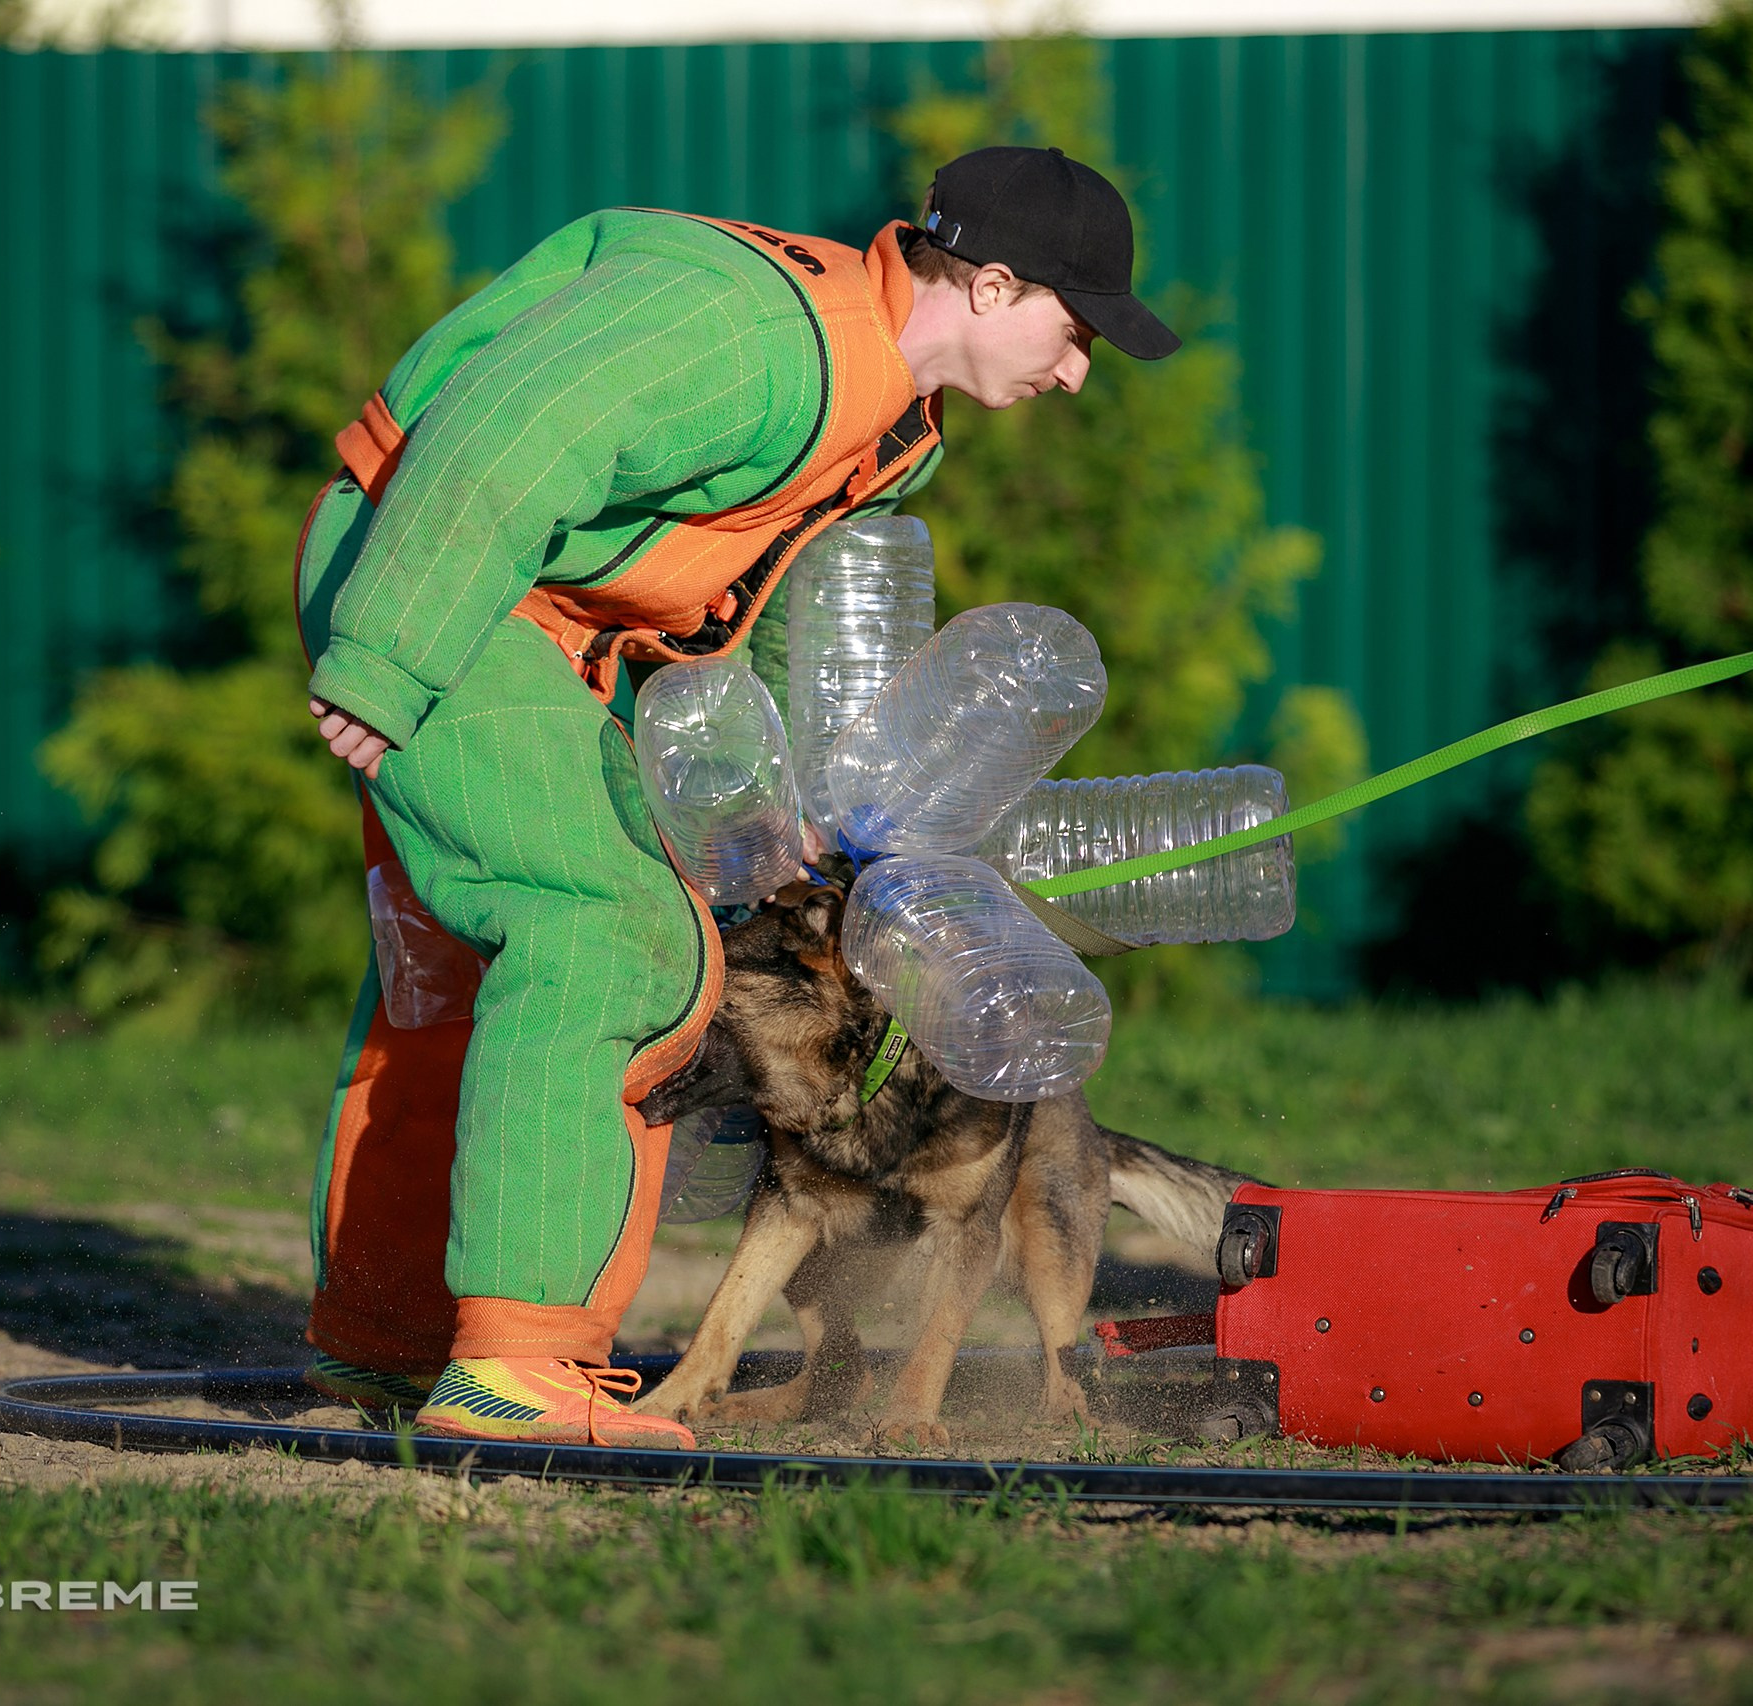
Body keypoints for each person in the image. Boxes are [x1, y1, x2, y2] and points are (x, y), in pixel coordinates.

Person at [289, 146, 1181, 1447]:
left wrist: (789, 805)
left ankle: (392, 1340)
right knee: (615, 936)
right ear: (993, 287)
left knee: (455, 973)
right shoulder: (766, 340)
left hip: (528, 618)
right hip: (445, 583)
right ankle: (515, 1371)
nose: (1077, 370)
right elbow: (511, 426)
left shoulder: (879, 418)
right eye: (1074, 327)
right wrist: (387, 650)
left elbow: (745, 604)